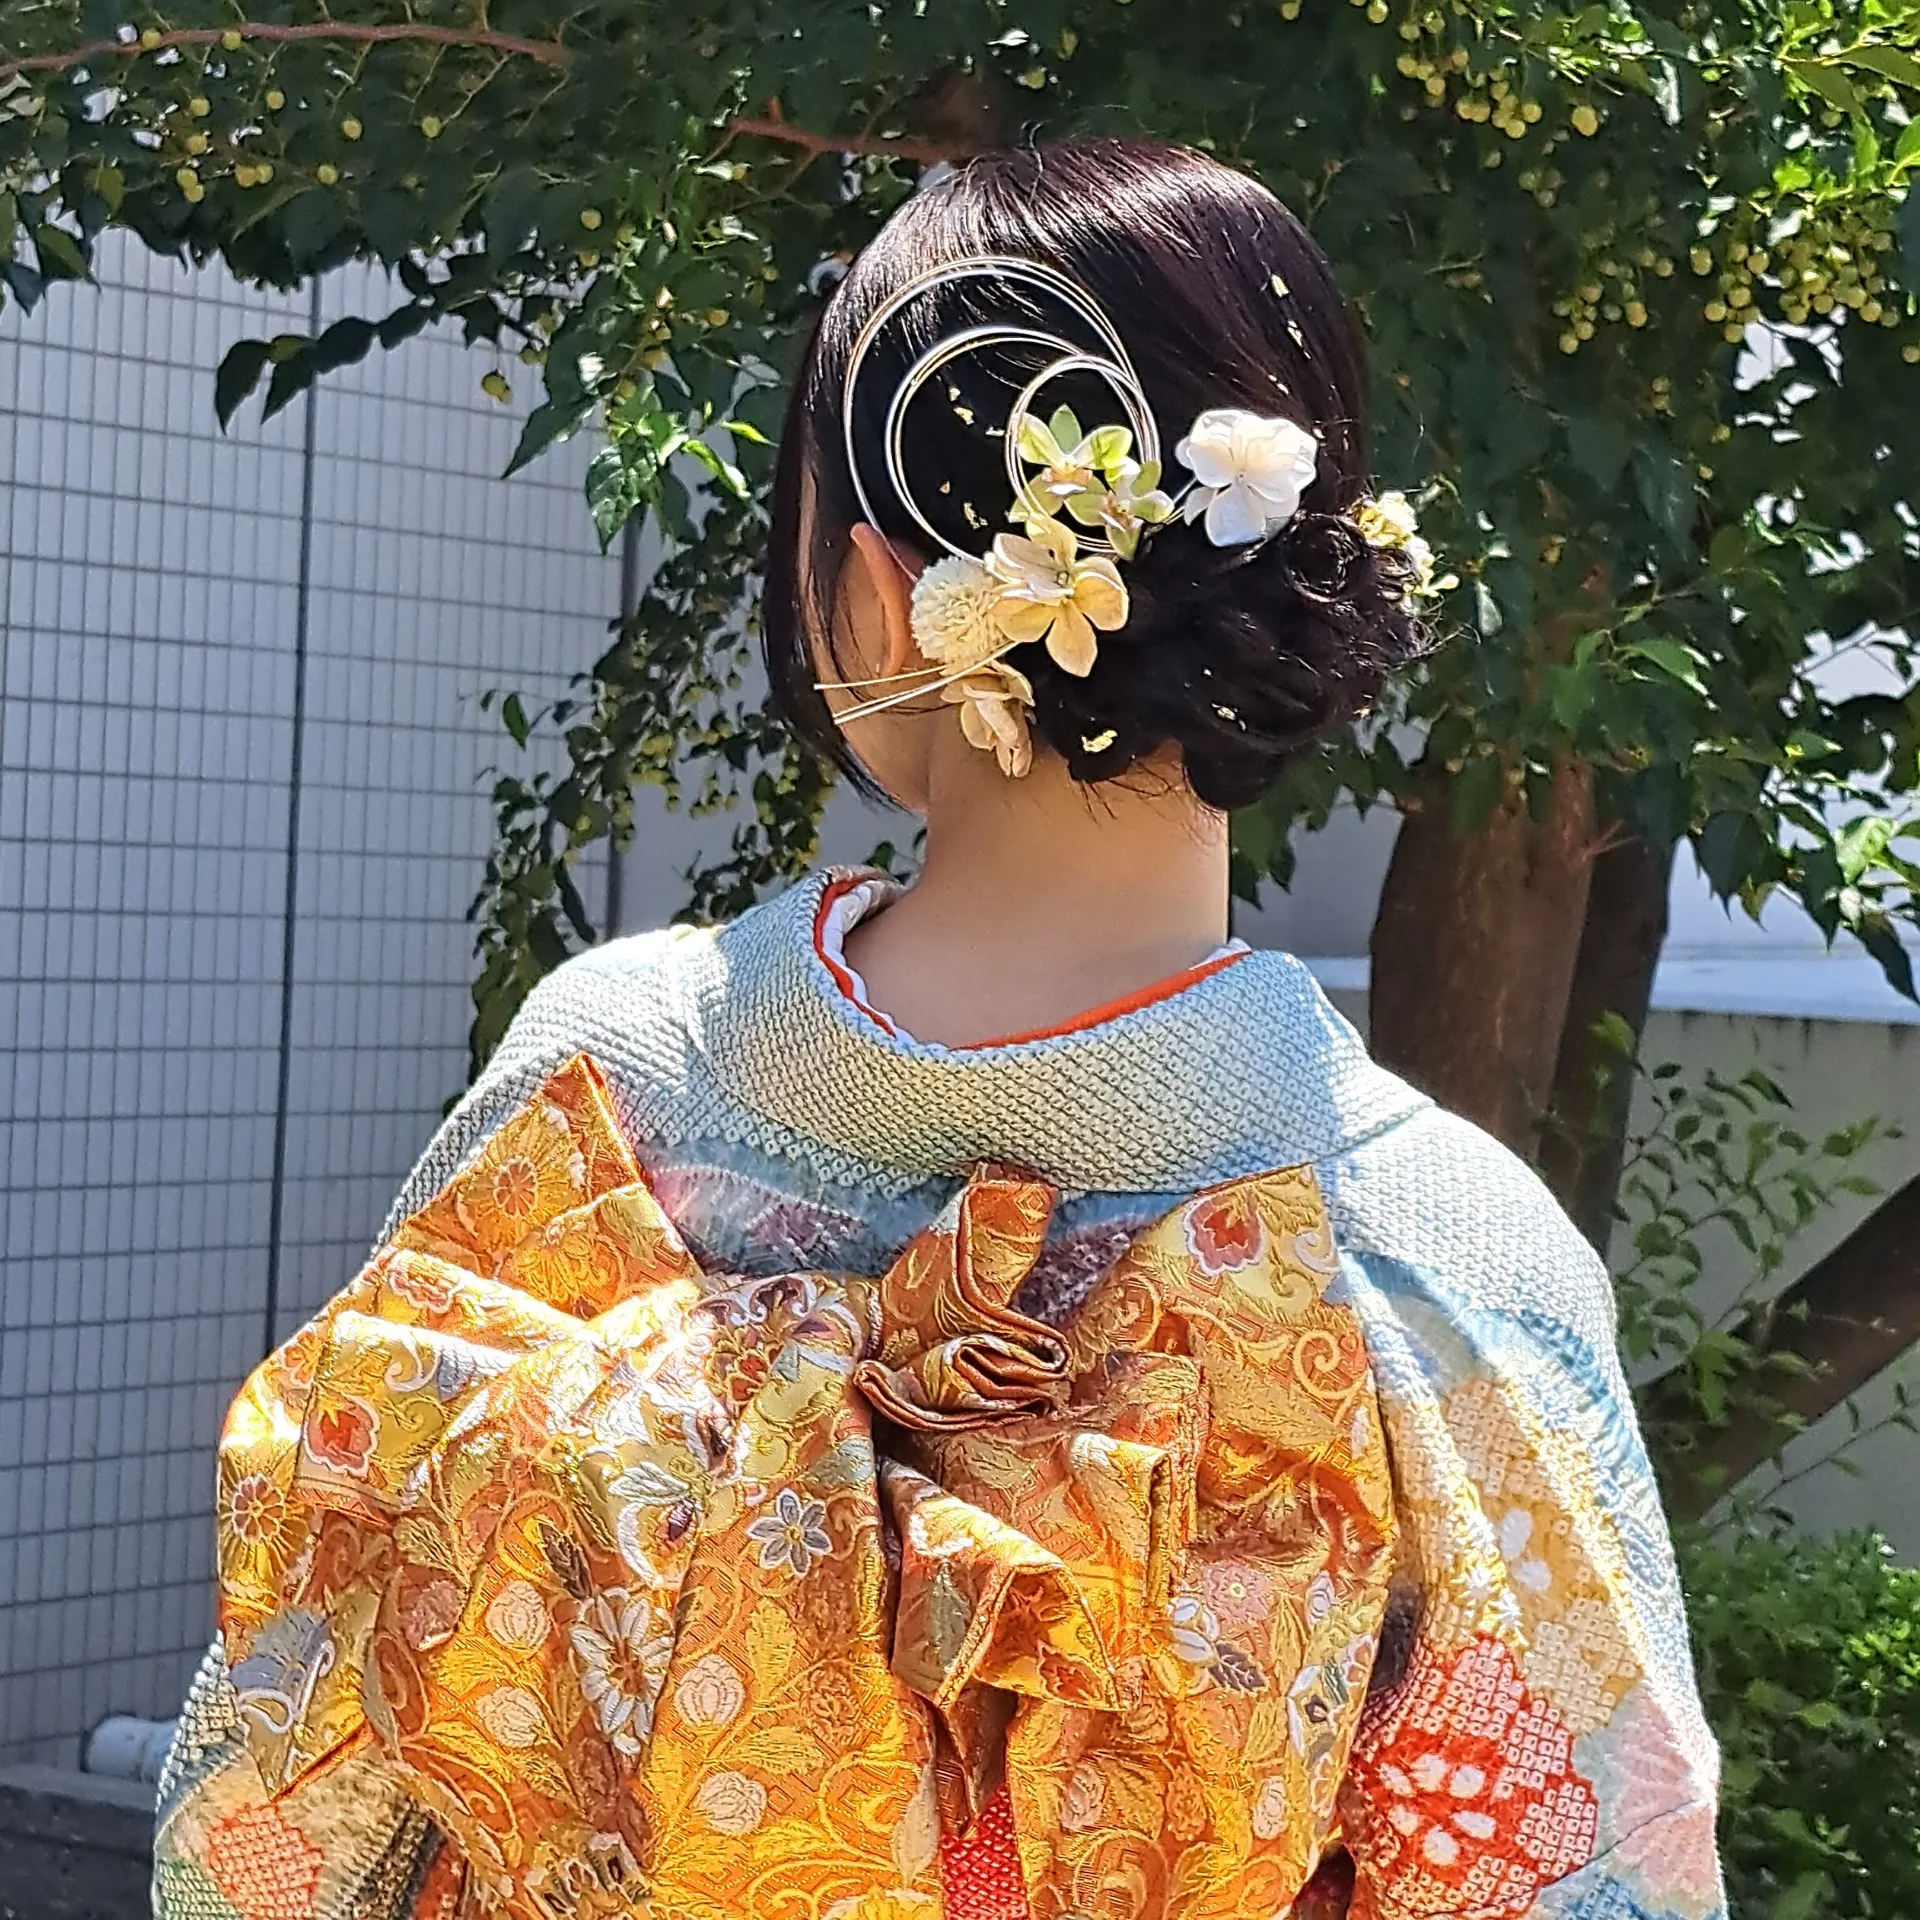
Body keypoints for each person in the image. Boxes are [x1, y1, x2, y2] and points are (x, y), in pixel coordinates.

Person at [153, 139, 1723, 1920]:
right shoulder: (1436, 1251)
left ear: (885, 590)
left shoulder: (611, 1085)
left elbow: (283, 1786)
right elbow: (1605, 1869)